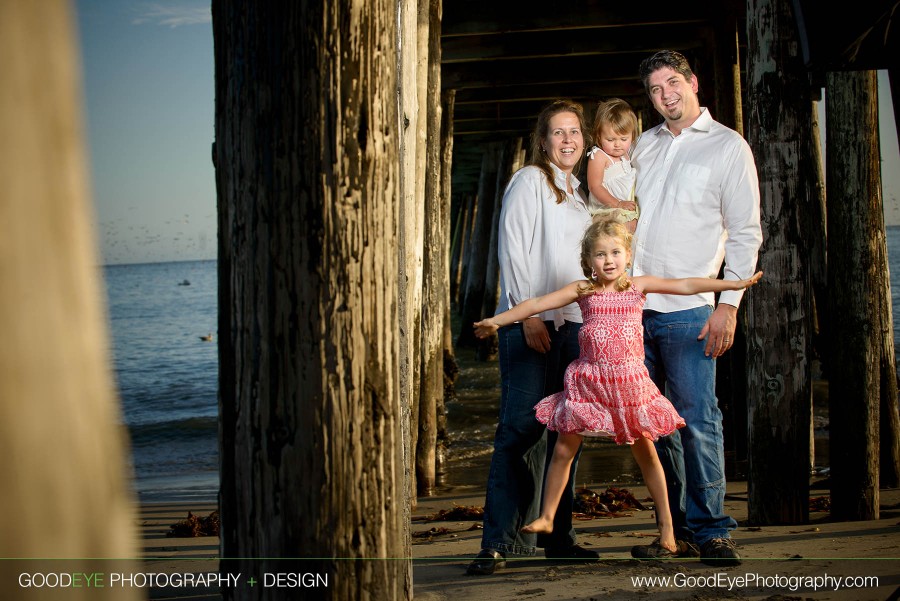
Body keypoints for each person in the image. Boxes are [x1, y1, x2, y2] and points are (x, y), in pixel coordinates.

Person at [473, 219, 762, 557]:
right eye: (600, 254)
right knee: (564, 448)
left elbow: (685, 284)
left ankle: (667, 531)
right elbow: (536, 304)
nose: (608, 260)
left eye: (615, 252)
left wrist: (734, 284)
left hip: (630, 385)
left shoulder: (637, 286)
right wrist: (498, 320)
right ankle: (548, 517)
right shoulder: (584, 290)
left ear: (627, 255)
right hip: (589, 383)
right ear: (588, 261)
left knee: (647, 453)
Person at [628, 50, 763, 566]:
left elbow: (746, 235)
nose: (666, 95)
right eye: (655, 90)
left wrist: (728, 306)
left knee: (697, 418)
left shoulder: (729, 147)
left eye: (672, 83)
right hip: (633, 310)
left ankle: (712, 530)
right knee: (648, 423)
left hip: (690, 312)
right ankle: (675, 530)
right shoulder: (643, 145)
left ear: (693, 83)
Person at [466, 99, 596, 576]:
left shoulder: (583, 194)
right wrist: (526, 316)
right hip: (532, 325)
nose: (568, 140)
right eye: (558, 133)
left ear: (584, 140)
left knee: (567, 432)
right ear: (543, 141)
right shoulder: (530, 181)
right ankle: (499, 542)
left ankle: (559, 537)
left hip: (576, 326)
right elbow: (513, 246)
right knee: (520, 430)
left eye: (575, 132)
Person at [586, 98, 640, 232]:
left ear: (632, 136)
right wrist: (618, 203)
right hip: (607, 210)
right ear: (599, 136)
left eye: (624, 139)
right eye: (610, 139)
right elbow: (594, 186)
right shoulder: (599, 155)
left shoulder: (626, 155)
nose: (617, 144)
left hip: (625, 209)